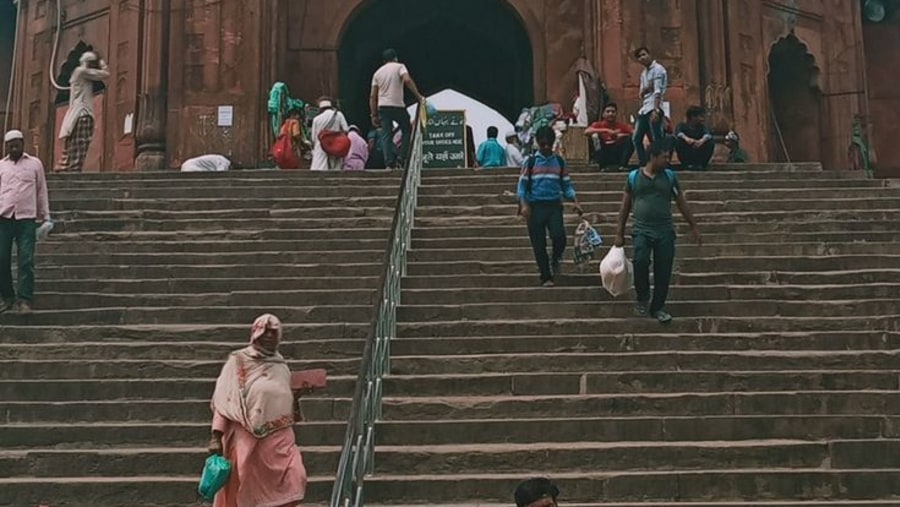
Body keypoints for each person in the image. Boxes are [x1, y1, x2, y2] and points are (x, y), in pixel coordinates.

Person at [208, 314, 309, 507]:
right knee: (245, 483)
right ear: (255, 333)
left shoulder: (281, 365)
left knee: (296, 475)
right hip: (247, 434)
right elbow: (224, 400)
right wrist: (216, 435)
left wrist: (297, 395)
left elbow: (284, 403)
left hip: (279, 436)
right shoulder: (238, 361)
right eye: (265, 332)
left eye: (273, 332)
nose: (269, 336)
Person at [614, 139, 701, 324]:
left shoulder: (669, 177)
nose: (668, 160)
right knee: (640, 261)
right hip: (641, 230)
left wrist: (693, 225)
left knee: (663, 270)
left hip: (664, 231)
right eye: (664, 157)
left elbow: (681, 202)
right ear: (653, 157)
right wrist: (619, 233)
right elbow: (625, 206)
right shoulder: (633, 177)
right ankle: (642, 297)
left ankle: (658, 307)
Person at [517, 126, 583, 287]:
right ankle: (546, 276)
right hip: (535, 206)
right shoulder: (531, 162)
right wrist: (524, 205)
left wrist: (575, 201)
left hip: (554, 205)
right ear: (538, 143)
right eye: (543, 144)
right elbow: (522, 186)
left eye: (549, 144)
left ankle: (556, 258)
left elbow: (566, 185)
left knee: (559, 237)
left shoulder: (559, 161)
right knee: (538, 244)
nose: (546, 147)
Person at [0, 130, 50, 314]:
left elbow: (41, 191)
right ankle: (7, 297)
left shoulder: (35, 164)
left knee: (26, 260)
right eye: (10, 144)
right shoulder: (1, 166)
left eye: (16, 144)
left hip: (27, 219)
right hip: (4, 218)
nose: (13, 147)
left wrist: (46, 216)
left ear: (23, 143)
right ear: (6, 146)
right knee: (1, 259)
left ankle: (24, 299)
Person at [370, 48, 425, 169]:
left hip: (383, 107)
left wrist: (373, 114)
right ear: (395, 58)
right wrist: (418, 96)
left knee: (386, 135)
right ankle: (401, 157)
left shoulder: (378, 73)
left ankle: (388, 163)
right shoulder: (400, 67)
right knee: (406, 130)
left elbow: (373, 95)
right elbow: (407, 80)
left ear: (384, 61)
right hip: (397, 105)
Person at [57, 51, 110, 172]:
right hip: (82, 113)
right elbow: (106, 74)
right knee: (80, 144)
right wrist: (101, 61)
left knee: (76, 145)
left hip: (77, 114)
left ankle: (71, 169)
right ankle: (73, 170)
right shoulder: (81, 72)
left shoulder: (78, 74)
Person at [632, 46, 667, 166]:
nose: (642, 58)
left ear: (649, 54)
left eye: (643, 54)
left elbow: (657, 91)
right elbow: (641, 93)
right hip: (645, 108)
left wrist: (656, 110)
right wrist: (648, 88)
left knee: (656, 138)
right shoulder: (643, 73)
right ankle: (644, 163)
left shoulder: (658, 69)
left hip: (654, 107)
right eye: (639, 57)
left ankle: (659, 163)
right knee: (636, 139)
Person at [585, 102, 634, 171]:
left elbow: (635, 133)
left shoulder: (622, 126)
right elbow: (587, 131)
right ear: (603, 114)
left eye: (613, 112)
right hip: (604, 152)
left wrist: (622, 136)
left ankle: (623, 165)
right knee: (594, 136)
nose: (610, 114)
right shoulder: (598, 125)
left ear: (616, 113)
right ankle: (602, 166)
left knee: (632, 138)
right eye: (608, 112)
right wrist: (606, 131)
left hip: (617, 152)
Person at [310, 97, 349, 171]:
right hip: (335, 147)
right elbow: (346, 130)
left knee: (320, 169)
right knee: (335, 169)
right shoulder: (339, 115)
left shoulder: (316, 119)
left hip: (321, 149)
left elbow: (313, 138)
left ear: (320, 109)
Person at [674, 105, 715, 170]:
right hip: (687, 152)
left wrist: (701, 141)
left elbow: (707, 134)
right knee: (678, 140)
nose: (702, 119)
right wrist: (687, 139)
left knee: (710, 141)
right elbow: (678, 133)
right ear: (693, 117)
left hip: (699, 152)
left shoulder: (702, 127)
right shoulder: (682, 126)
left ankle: (701, 164)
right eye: (700, 116)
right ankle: (686, 164)